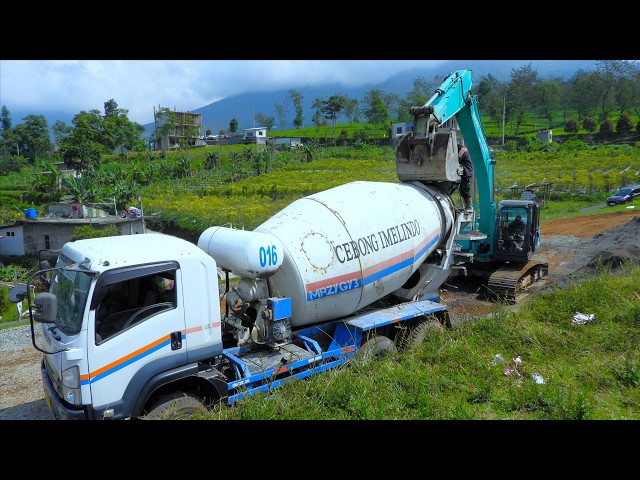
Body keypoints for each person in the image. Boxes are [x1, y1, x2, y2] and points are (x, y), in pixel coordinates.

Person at [457, 141, 474, 212]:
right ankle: (467, 206)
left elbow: (456, 159)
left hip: (467, 173)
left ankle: (469, 206)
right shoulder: (463, 150)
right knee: (462, 189)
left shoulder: (462, 151)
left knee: (465, 189)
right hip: (465, 173)